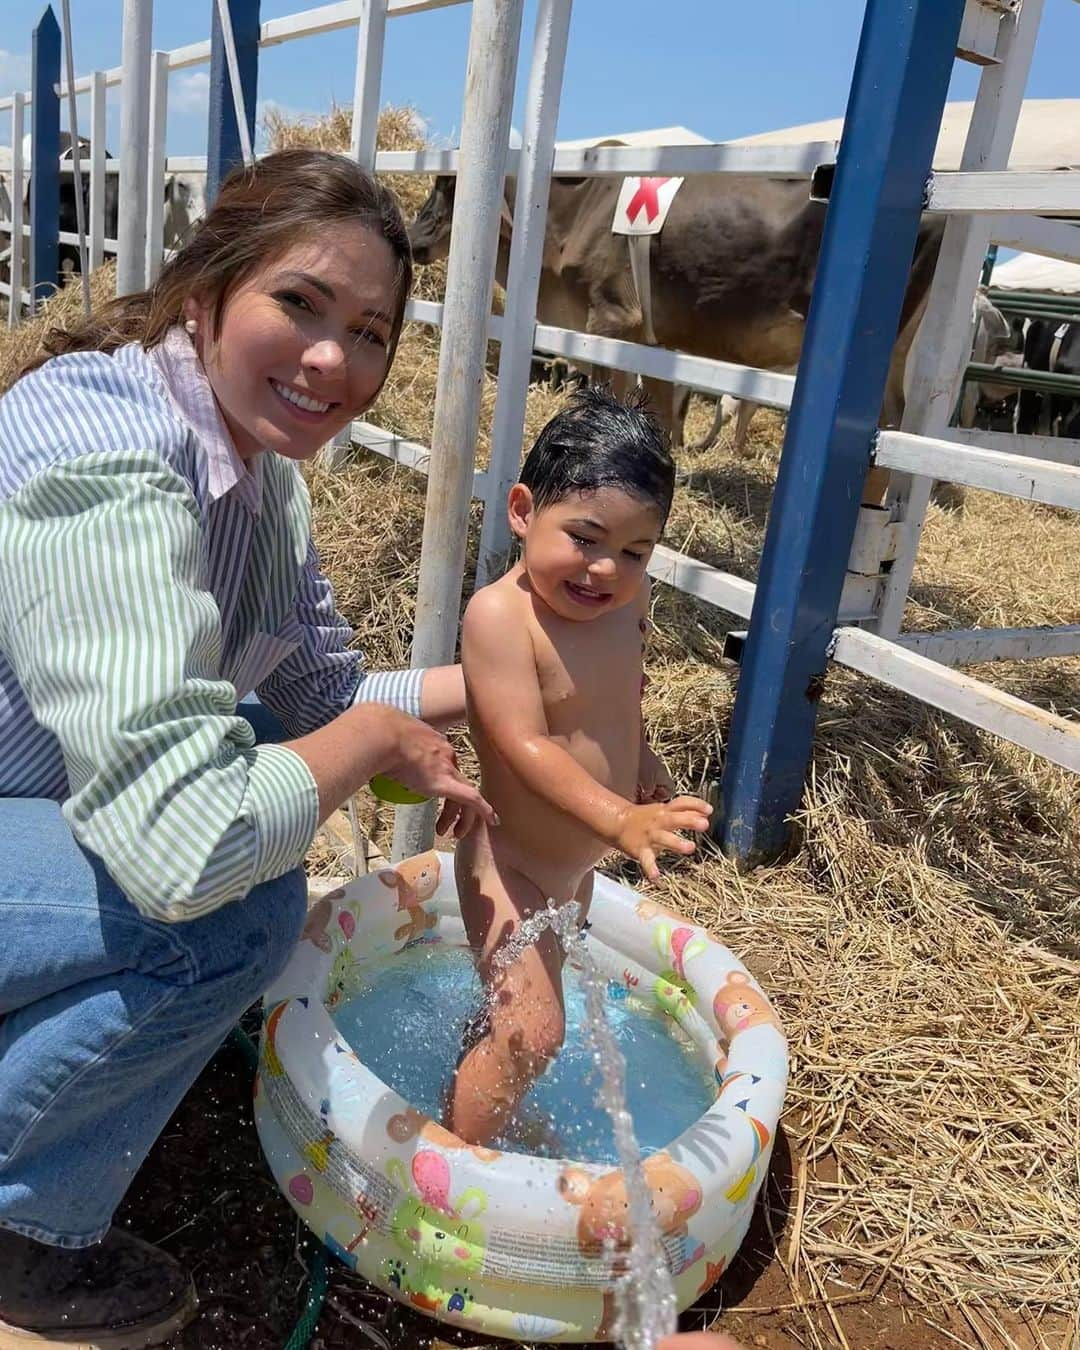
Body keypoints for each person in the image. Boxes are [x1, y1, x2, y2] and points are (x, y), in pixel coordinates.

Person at [0, 148, 494, 1349]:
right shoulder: (101, 453)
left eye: (371, 331)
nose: (337, 360)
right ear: (206, 290)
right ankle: (23, 1230)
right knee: (230, 911)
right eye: (302, 305)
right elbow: (184, 845)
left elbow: (320, 683)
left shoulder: (257, 470)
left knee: (272, 746)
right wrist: (370, 741)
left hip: (34, 796)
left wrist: (509, 682)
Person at [447, 388, 714, 1146]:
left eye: (635, 551)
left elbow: (615, 700)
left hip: (573, 871)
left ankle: (474, 1089)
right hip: (510, 867)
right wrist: (620, 818)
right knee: (536, 1030)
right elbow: (523, 744)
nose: (606, 568)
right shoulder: (500, 618)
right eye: (586, 538)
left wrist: (645, 762)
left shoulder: (627, 605)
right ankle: (452, 1175)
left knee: (517, 1024)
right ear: (524, 511)